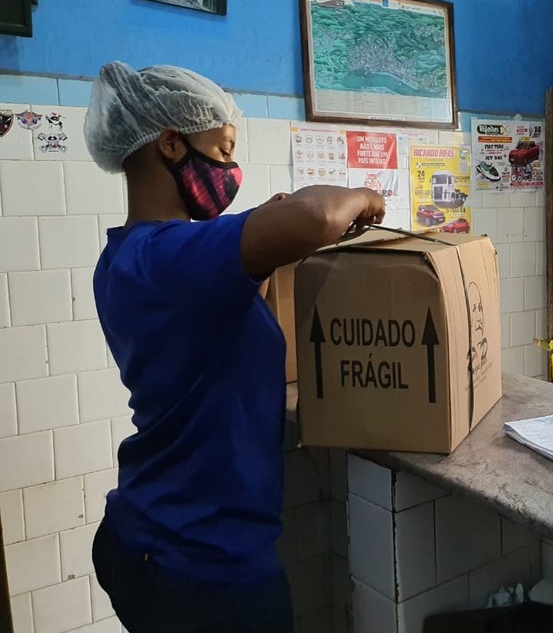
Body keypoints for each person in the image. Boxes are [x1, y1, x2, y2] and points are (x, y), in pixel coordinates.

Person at [84, 62, 387, 632]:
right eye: (222, 151)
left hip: (146, 532)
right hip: (200, 565)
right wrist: (363, 195)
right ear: (171, 145)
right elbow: (319, 215)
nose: (231, 169)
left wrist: (265, 243)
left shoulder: (127, 258)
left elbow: (212, 329)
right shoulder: (171, 258)